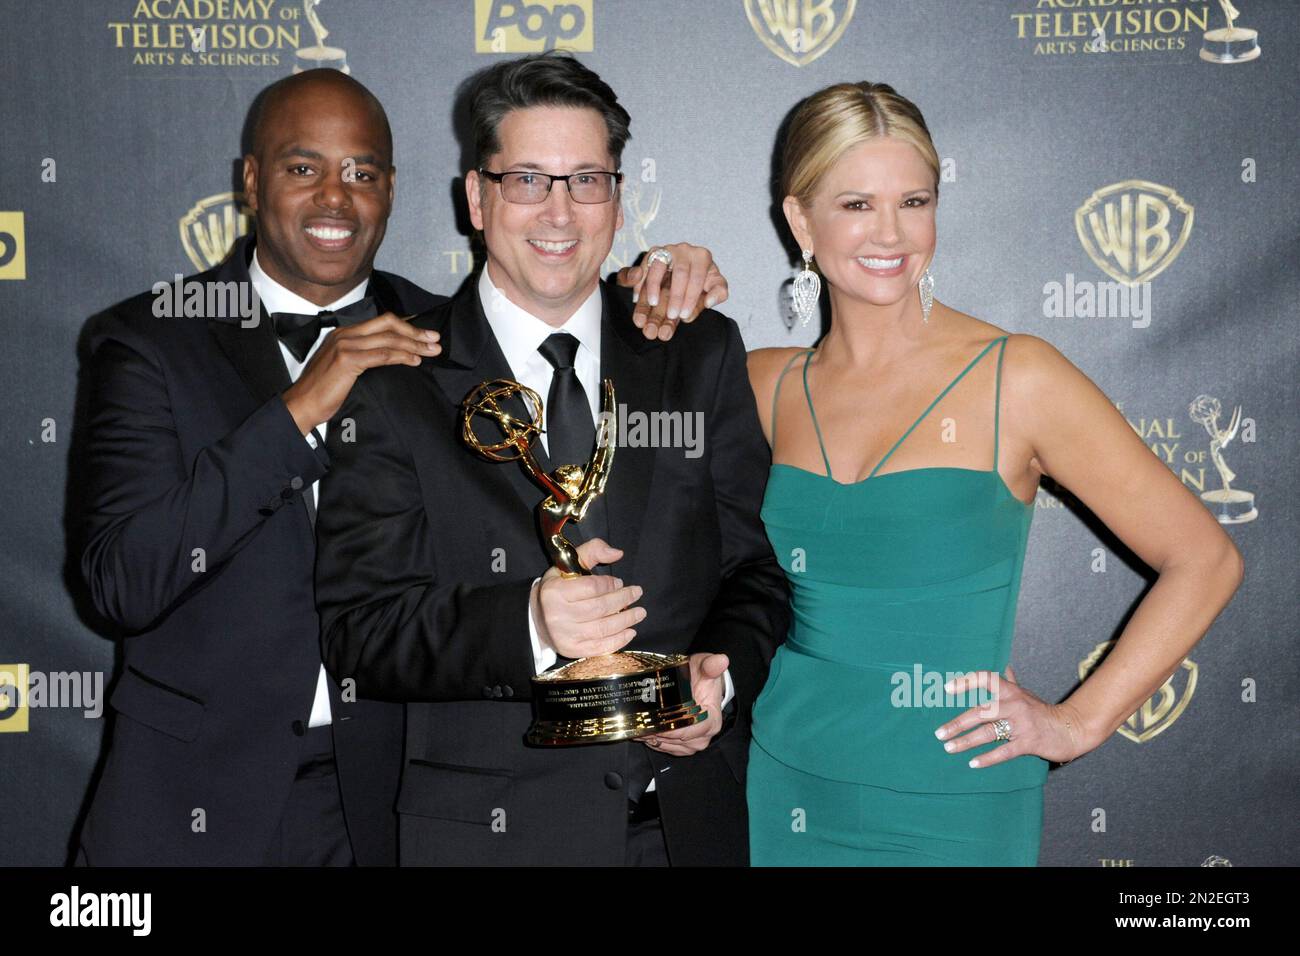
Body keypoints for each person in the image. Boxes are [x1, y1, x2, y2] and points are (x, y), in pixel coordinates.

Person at [75, 67, 714, 866]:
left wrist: (654, 278)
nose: (335, 198)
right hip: (194, 797)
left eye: (362, 173)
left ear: (394, 190)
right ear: (250, 180)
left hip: (386, 805)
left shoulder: (438, 341)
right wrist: (299, 410)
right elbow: (120, 583)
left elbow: (562, 295)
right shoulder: (150, 342)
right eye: (303, 168)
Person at [744, 82, 1245, 866]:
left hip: (958, 800)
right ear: (799, 220)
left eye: (914, 201)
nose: (890, 232)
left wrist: (1077, 725)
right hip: (784, 786)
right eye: (855, 205)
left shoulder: (1019, 377)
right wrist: (667, 273)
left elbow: (1206, 559)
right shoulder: (764, 385)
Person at [314, 52, 790, 866]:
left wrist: (722, 677)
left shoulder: (697, 351)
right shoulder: (394, 380)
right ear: (476, 196)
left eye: (587, 181)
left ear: (618, 195)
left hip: (683, 832)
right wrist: (528, 623)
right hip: (487, 841)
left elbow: (756, 572)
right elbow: (361, 630)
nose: (560, 214)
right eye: (528, 179)